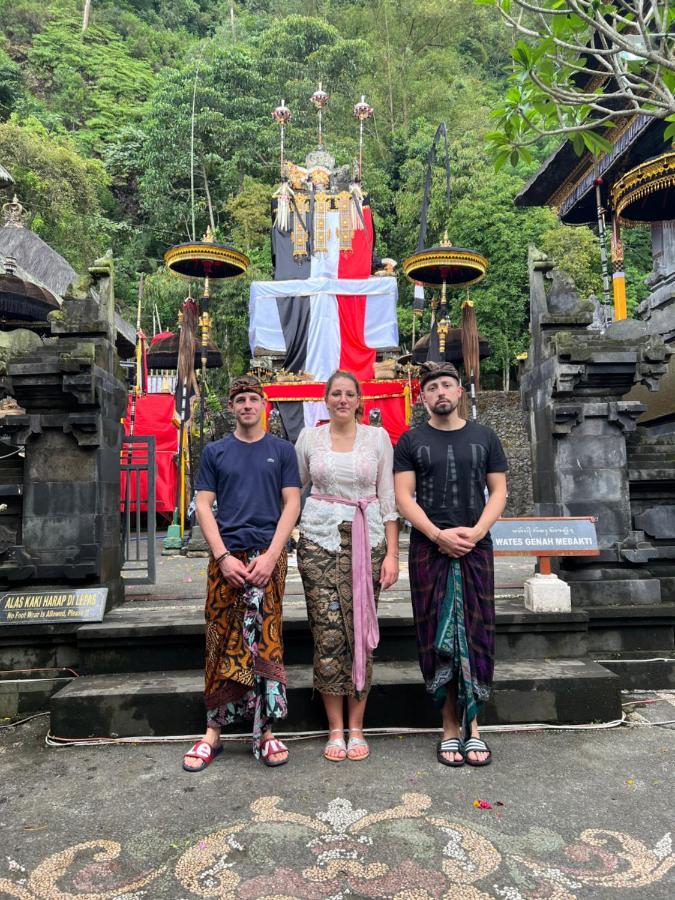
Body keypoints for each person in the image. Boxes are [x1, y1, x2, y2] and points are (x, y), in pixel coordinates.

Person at [182, 375, 301, 772]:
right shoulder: (216, 451)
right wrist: (221, 557)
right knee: (219, 640)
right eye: (240, 400)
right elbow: (202, 505)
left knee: (265, 643)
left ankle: (266, 730)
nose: (247, 405)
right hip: (226, 559)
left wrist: (271, 556)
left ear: (264, 404)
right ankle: (212, 731)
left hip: (268, 558)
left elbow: (291, 504)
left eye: (253, 399)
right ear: (232, 407)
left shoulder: (282, 450)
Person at [394, 362, 507, 767]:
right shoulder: (410, 441)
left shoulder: (485, 437)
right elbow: (404, 498)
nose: (440, 392)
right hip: (430, 549)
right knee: (434, 636)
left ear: (459, 392)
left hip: (475, 548)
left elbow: (498, 492)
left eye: (447, 385)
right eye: (432, 387)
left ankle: (474, 727)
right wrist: (439, 535)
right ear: (422, 397)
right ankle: (447, 726)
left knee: (476, 633)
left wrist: (474, 533)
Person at [295, 370, 399, 762]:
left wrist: (392, 554)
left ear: (359, 400)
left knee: (360, 629)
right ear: (325, 399)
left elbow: (388, 500)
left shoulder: (377, 439)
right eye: (335, 393)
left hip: (367, 541)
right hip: (319, 541)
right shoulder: (309, 439)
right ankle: (334, 728)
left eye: (349, 394)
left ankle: (357, 726)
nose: (342, 399)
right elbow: (295, 488)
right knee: (327, 634)